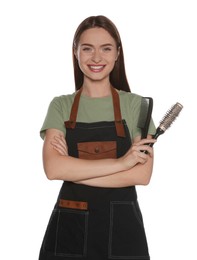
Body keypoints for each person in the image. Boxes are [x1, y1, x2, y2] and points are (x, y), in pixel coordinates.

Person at [38, 15, 156, 260]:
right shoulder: (61, 106)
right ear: (75, 52)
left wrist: (74, 171)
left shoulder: (136, 106)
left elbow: (141, 175)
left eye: (106, 48)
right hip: (69, 230)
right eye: (87, 49)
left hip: (124, 233)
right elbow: (53, 168)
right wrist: (121, 164)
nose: (97, 58)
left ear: (117, 53)